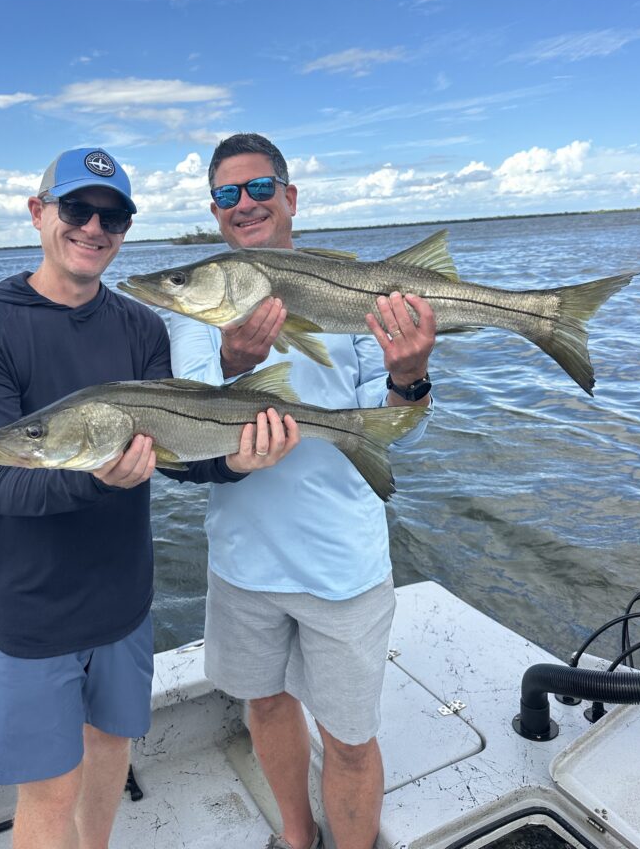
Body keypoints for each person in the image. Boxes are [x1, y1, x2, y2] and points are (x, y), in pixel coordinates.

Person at [0, 146, 299, 849]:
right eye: (78, 209)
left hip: (123, 602)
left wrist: (238, 460)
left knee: (110, 753)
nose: (94, 228)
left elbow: (174, 460)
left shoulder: (139, 325)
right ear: (39, 212)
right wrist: (93, 475)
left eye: (114, 216)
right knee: (48, 792)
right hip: (28, 612)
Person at [169, 133, 436, 849]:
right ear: (216, 211)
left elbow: (391, 430)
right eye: (227, 194)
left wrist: (409, 376)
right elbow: (186, 441)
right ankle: (296, 839)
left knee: (349, 739)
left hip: (341, 566)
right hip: (241, 565)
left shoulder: (352, 297)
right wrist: (232, 363)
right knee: (264, 706)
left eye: (260, 188)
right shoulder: (196, 306)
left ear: (290, 197)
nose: (245, 203)